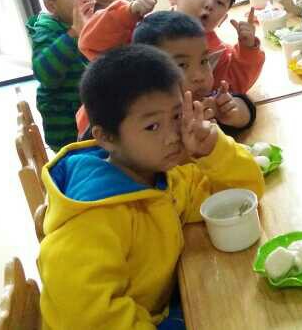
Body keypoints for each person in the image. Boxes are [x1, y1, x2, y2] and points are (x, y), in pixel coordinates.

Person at [38, 45, 265, 328]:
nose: (172, 136)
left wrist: (213, 150)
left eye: (176, 116)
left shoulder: (164, 175)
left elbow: (243, 197)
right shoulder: (89, 221)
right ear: (106, 137)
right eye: (152, 127)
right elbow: (87, 318)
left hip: (164, 309)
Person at [80, 0, 265, 94]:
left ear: (223, 17)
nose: (210, 4)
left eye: (220, 2)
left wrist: (248, 49)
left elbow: (233, 87)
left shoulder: (217, 53)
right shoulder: (147, 32)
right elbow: (90, 44)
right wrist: (127, 13)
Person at [132, 11, 255, 132]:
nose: (199, 76)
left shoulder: (204, 101)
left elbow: (246, 107)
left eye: (204, 61)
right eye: (181, 65)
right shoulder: (146, 124)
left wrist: (230, 111)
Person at [26, 0, 95, 150]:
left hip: (93, 118)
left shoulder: (94, 20)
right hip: (68, 134)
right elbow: (44, 74)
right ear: (51, 5)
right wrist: (74, 32)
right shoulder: (46, 30)